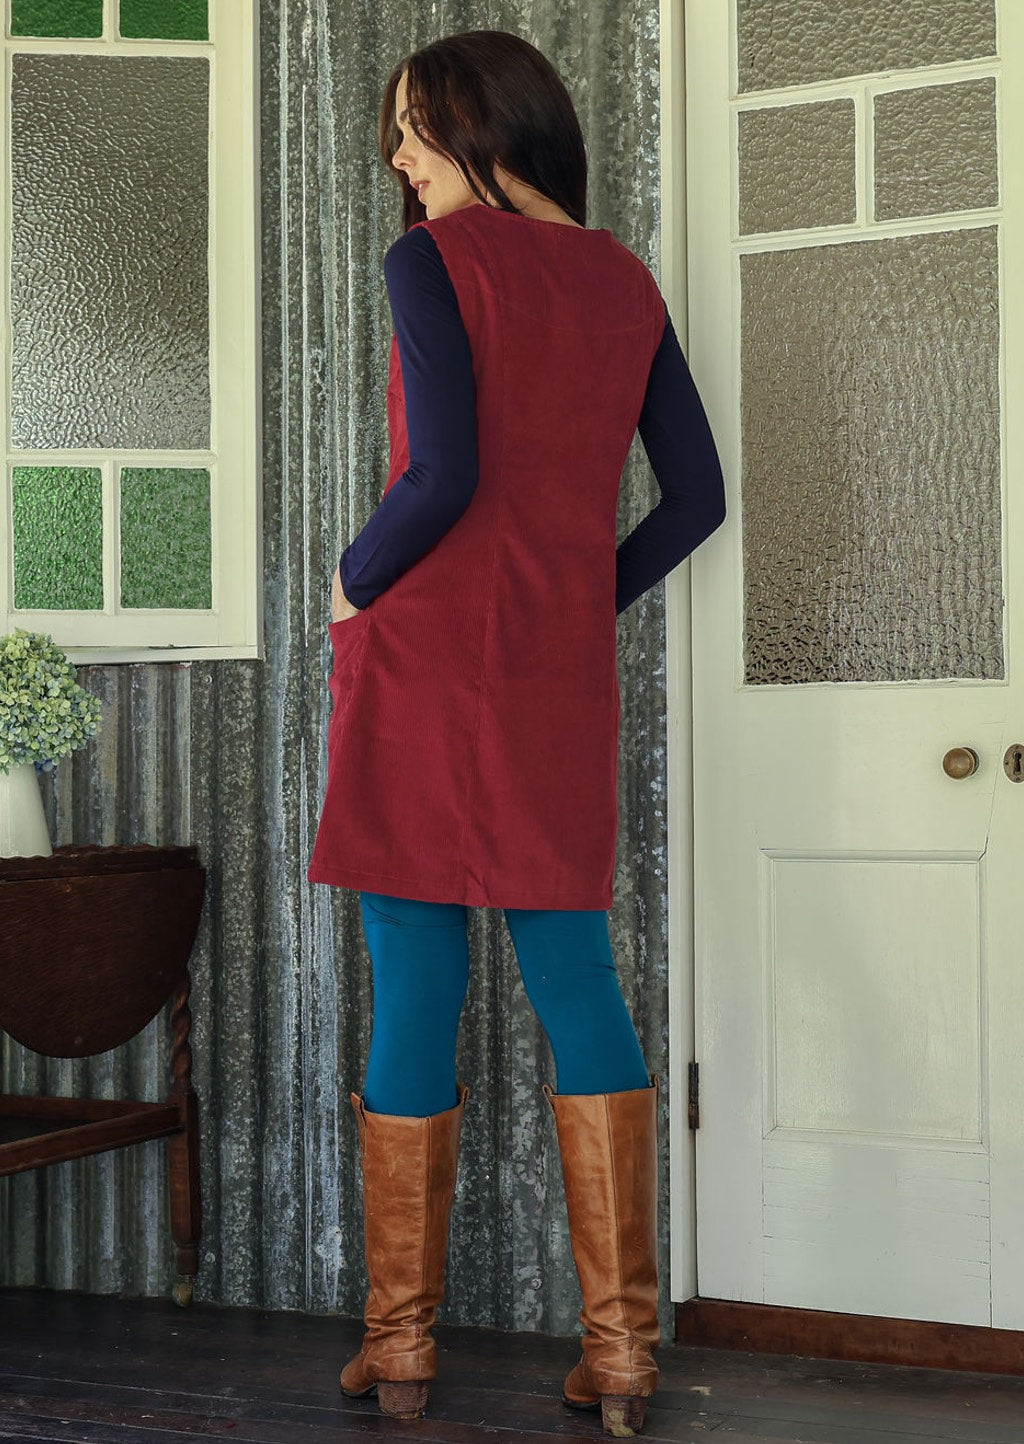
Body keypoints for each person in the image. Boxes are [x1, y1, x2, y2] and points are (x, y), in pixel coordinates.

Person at [307, 29, 725, 1438]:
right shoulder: (624, 281)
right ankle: (621, 1355)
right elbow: (695, 500)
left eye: (416, 133)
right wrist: (570, 602)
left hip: (425, 661)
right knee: (575, 976)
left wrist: (351, 579)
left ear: (483, 124)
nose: (402, 165)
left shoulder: (436, 263)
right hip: (548, 679)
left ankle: (402, 1349)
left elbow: (444, 475)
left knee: (413, 968)